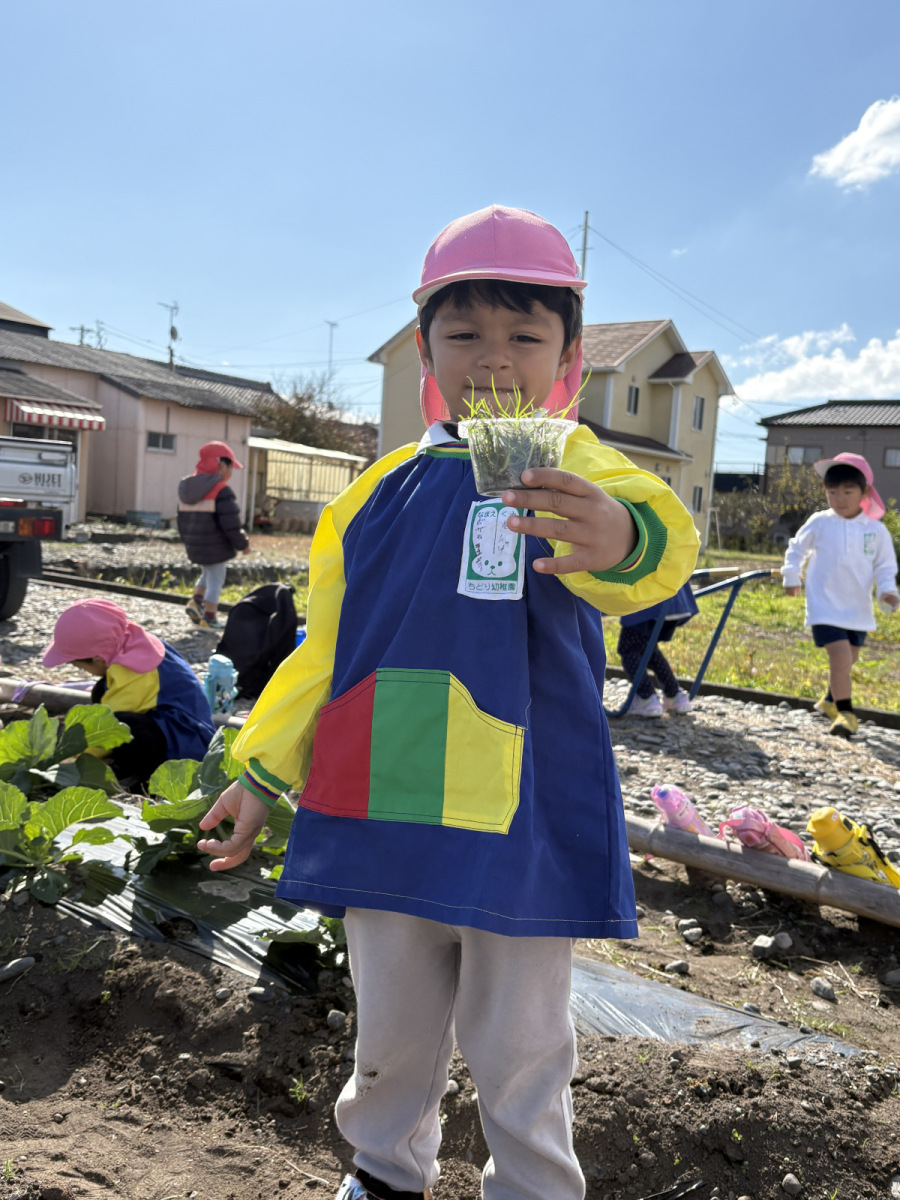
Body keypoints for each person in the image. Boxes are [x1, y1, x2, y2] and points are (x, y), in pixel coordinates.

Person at [196, 205, 700, 1200]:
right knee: (389, 1035)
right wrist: (260, 769)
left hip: (522, 808)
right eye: (465, 332)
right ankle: (384, 1174)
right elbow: (324, 651)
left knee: (521, 1045)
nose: (495, 357)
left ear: (567, 358)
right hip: (381, 795)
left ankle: (533, 1187)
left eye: (526, 335)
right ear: (426, 349)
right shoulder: (373, 493)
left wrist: (619, 537)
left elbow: (659, 540)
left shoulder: (572, 463)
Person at [782, 452, 899, 738]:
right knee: (840, 658)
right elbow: (797, 548)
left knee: (848, 660)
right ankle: (846, 713)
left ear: (864, 493)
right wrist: (791, 574)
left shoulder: (875, 531)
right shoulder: (820, 522)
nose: (839, 499)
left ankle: (829, 700)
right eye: (832, 492)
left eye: (848, 492)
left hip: (858, 609)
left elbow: (885, 567)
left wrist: (887, 591)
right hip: (824, 606)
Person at [42, 598, 215, 785]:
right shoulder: (132, 642)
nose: (83, 671)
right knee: (101, 691)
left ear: (98, 659)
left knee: (125, 725)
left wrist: (71, 763)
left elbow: (105, 728)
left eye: (81, 667)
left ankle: (144, 776)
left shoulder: (133, 674)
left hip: (187, 743)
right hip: (173, 723)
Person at [177, 440, 251, 630]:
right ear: (221, 465)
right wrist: (243, 544)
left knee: (207, 573)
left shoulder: (187, 488)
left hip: (195, 544)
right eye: (230, 467)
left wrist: (188, 541)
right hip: (216, 545)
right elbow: (231, 523)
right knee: (216, 580)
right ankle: (209, 617)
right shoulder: (221, 490)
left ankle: (196, 602)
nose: (231, 472)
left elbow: (181, 520)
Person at [618, 580, 698, 716]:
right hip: (675, 598)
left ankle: (646, 697)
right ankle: (674, 695)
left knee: (629, 649)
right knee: (649, 650)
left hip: (648, 600)